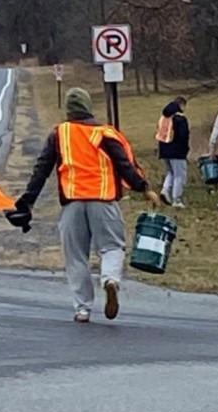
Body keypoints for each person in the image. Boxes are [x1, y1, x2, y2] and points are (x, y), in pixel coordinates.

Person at [15, 88, 160, 323]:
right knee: (112, 246)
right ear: (88, 107)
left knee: (76, 257)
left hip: (72, 203)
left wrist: (28, 201)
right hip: (103, 201)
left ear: (69, 110)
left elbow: (41, 170)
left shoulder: (59, 134)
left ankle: (82, 308)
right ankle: (110, 279)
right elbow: (124, 165)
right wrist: (144, 188)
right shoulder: (104, 134)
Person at [156, 96, 190, 207]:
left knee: (171, 172)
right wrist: (185, 150)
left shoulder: (164, 117)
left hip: (164, 150)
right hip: (177, 151)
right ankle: (177, 200)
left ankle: (165, 191)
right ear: (181, 105)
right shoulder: (180, 119)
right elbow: (183, 136)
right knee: (180, 175)